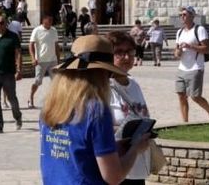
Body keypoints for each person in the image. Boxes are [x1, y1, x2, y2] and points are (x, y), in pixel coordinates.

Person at [39, 35, 146, 185]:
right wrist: (135, 148)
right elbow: (113, 177)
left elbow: (76, 149)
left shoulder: (50, 106)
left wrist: (116, 146)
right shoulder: (96, 110)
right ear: (102, 73)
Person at [107, 32, 153, 184]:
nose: (127, 57)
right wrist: (129, 132)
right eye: (120, 52)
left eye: (130, 52)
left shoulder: (134, 84)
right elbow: (97, 128)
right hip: (117, 167)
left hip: (138, 166)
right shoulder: (104, 88)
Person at [173, 7, 209, 122]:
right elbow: (176, 52)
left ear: (192, 16)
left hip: (195, 68)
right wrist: (178, 52)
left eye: (184, 14)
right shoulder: (179, 32)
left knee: (195, 96)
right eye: (181, 15)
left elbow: (207, 49)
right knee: (181, 95)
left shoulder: (199, 30)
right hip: (181, 68)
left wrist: (191, 47)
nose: (182, 17)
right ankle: (185, 122)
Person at [0, 15, 23, 133]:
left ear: (6, 23)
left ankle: (17, 116)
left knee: (12, 98)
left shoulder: (13, 37)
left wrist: (19, 70)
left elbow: (18, 54)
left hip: (8, 73)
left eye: (1, 23)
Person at [29, 14, 60, 109]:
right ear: (43, 21)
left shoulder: (54, 30)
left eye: (51, 21)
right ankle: (31, 98)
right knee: (37, 81)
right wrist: (33, 58)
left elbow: (56, 45)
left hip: (52, 60)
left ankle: (56, 101)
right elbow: (31, 45)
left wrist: (58, 59)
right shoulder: (37, 30)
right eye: (49, 21)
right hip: (41, 60)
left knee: (56, 81)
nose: (50, 23)